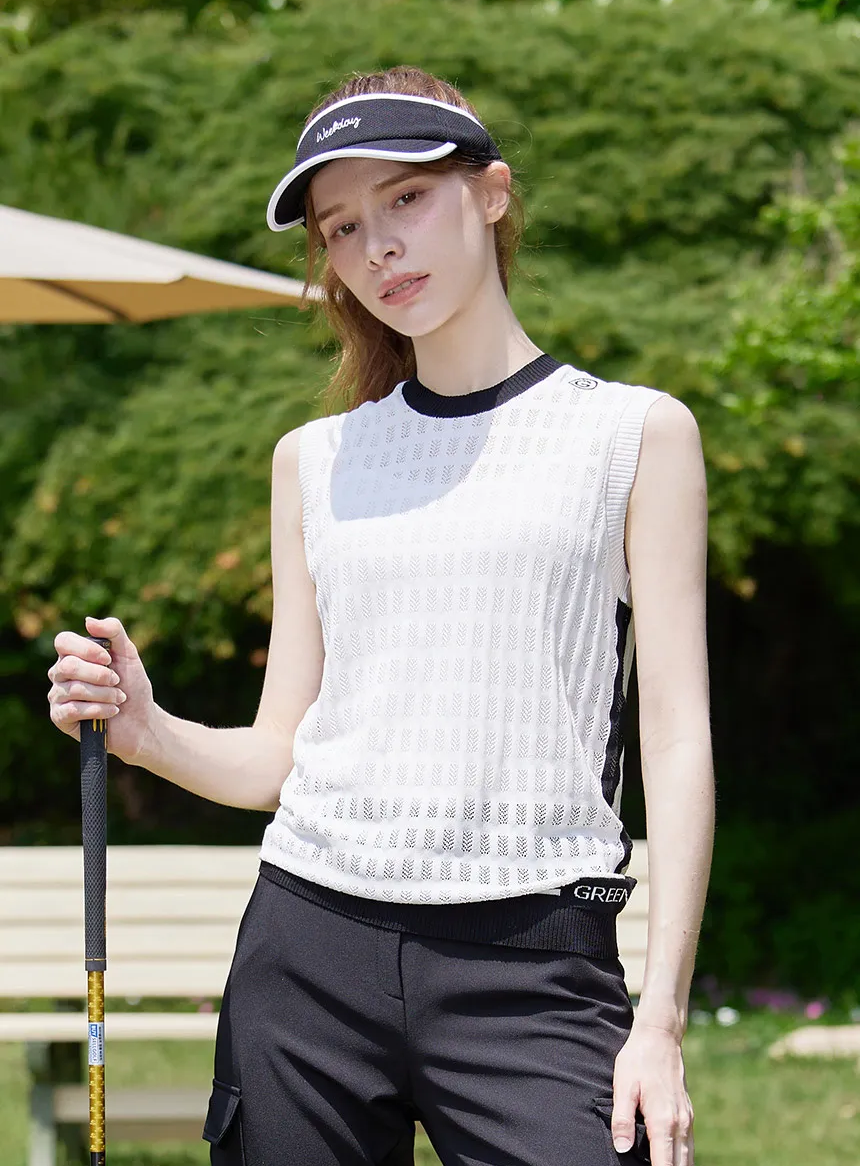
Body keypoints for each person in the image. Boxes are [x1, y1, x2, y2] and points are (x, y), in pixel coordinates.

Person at [48, 65, 714, 1166]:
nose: (378, 248)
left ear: (491, 192)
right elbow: (277, 756)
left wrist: (660, 1021)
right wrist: (144, 730)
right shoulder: (314, 461)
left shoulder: (633, 436)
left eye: (406, 198)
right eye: (342, 226)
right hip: (307, 951)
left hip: (536, 964)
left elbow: (678, 741)